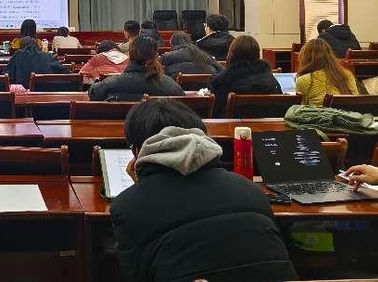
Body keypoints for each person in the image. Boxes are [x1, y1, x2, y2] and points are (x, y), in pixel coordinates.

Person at [110, 100, 296, 282]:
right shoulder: (252, 190)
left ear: (136, 152)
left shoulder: (126, 206)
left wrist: (142, 186)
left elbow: (136, 274)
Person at [88, 36, 183, 102]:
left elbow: (92, 93)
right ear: (156, 56)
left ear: (130, 55)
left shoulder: (112, 83)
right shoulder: (170, 85)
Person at [207, 35, 282, 117]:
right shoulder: (271, 81)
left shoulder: (223, 81)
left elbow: (214, 111)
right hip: (270, 124)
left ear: (232, 54)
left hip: (233, 124)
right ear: (257, 54)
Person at [295, 38, 358, 106]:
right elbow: (356, 101)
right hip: (347, 112)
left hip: (318, 113)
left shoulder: (304, 80)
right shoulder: (347, 75)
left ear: (304, 59)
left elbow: (300, 108)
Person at [3, 37, 70, 88]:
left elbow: (6, 75)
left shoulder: (18, 55)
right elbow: (65, 72)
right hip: (46, 93)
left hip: (23, 95)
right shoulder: (48, 55)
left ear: (21, 46)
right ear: (37, 46)